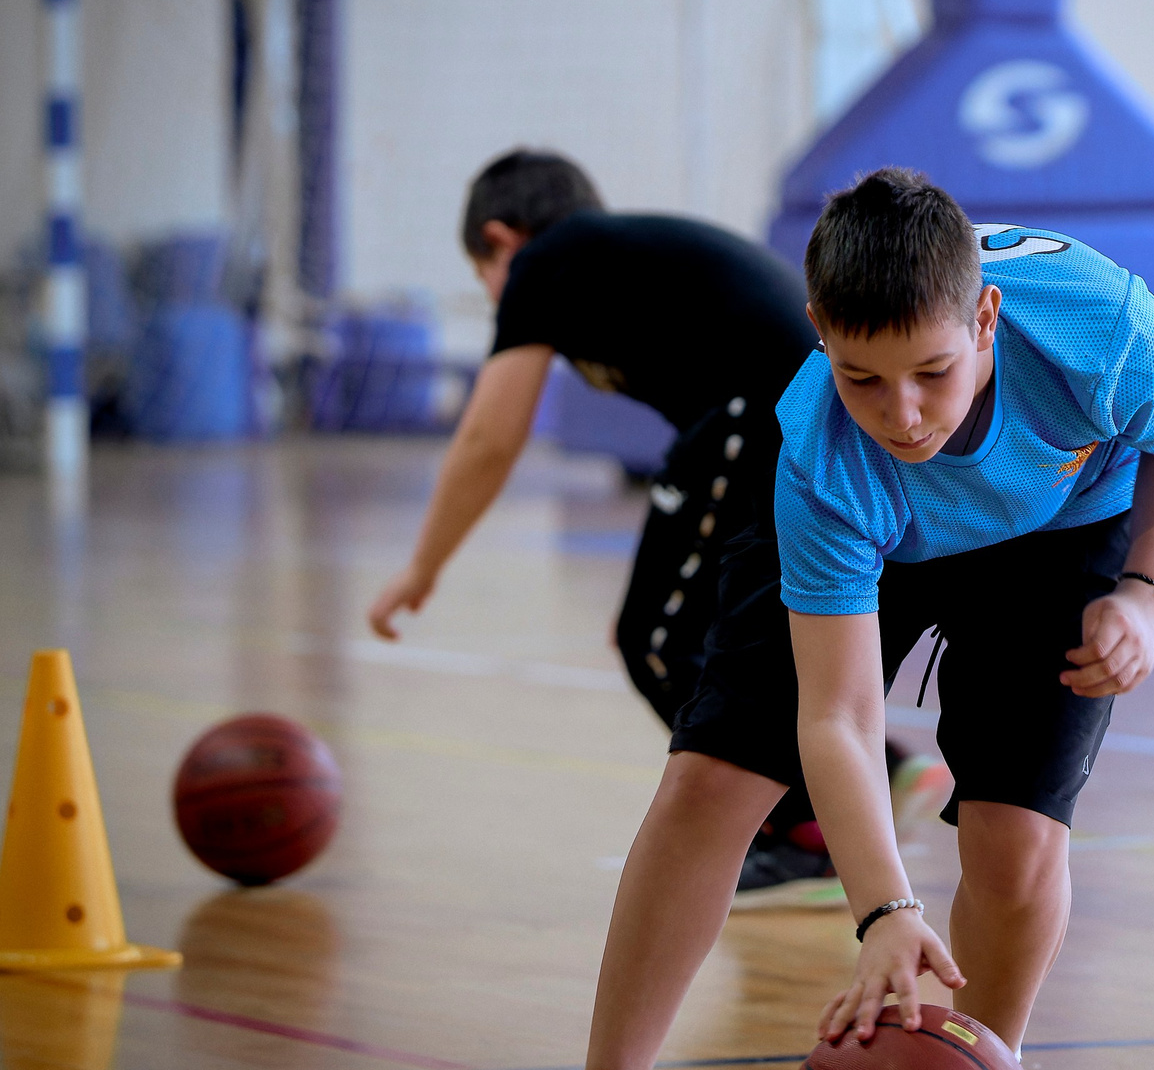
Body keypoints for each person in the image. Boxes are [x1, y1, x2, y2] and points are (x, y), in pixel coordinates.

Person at [484, 166, 1154, 1070]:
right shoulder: (825, 449)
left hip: (1059, 536)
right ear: (821, 332)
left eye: (931, 371)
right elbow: (835, 719)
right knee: (709, 781)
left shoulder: (1100, 325)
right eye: (863, 376)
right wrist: (884, 912)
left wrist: (1147, 594)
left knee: (1016, 847)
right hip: (876, 542)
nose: (903, 414)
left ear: (985, 315)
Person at [364, 149, 948, 904]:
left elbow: (488, 439)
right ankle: (876, 767)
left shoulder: (548, 260)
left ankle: (807, 828)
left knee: (657, 637)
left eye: (484, 278)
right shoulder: (613, 261)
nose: (495, 298)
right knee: (711, 633)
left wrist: (423, 567)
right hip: (791, 420)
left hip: (763, 415)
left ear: (504, 240)